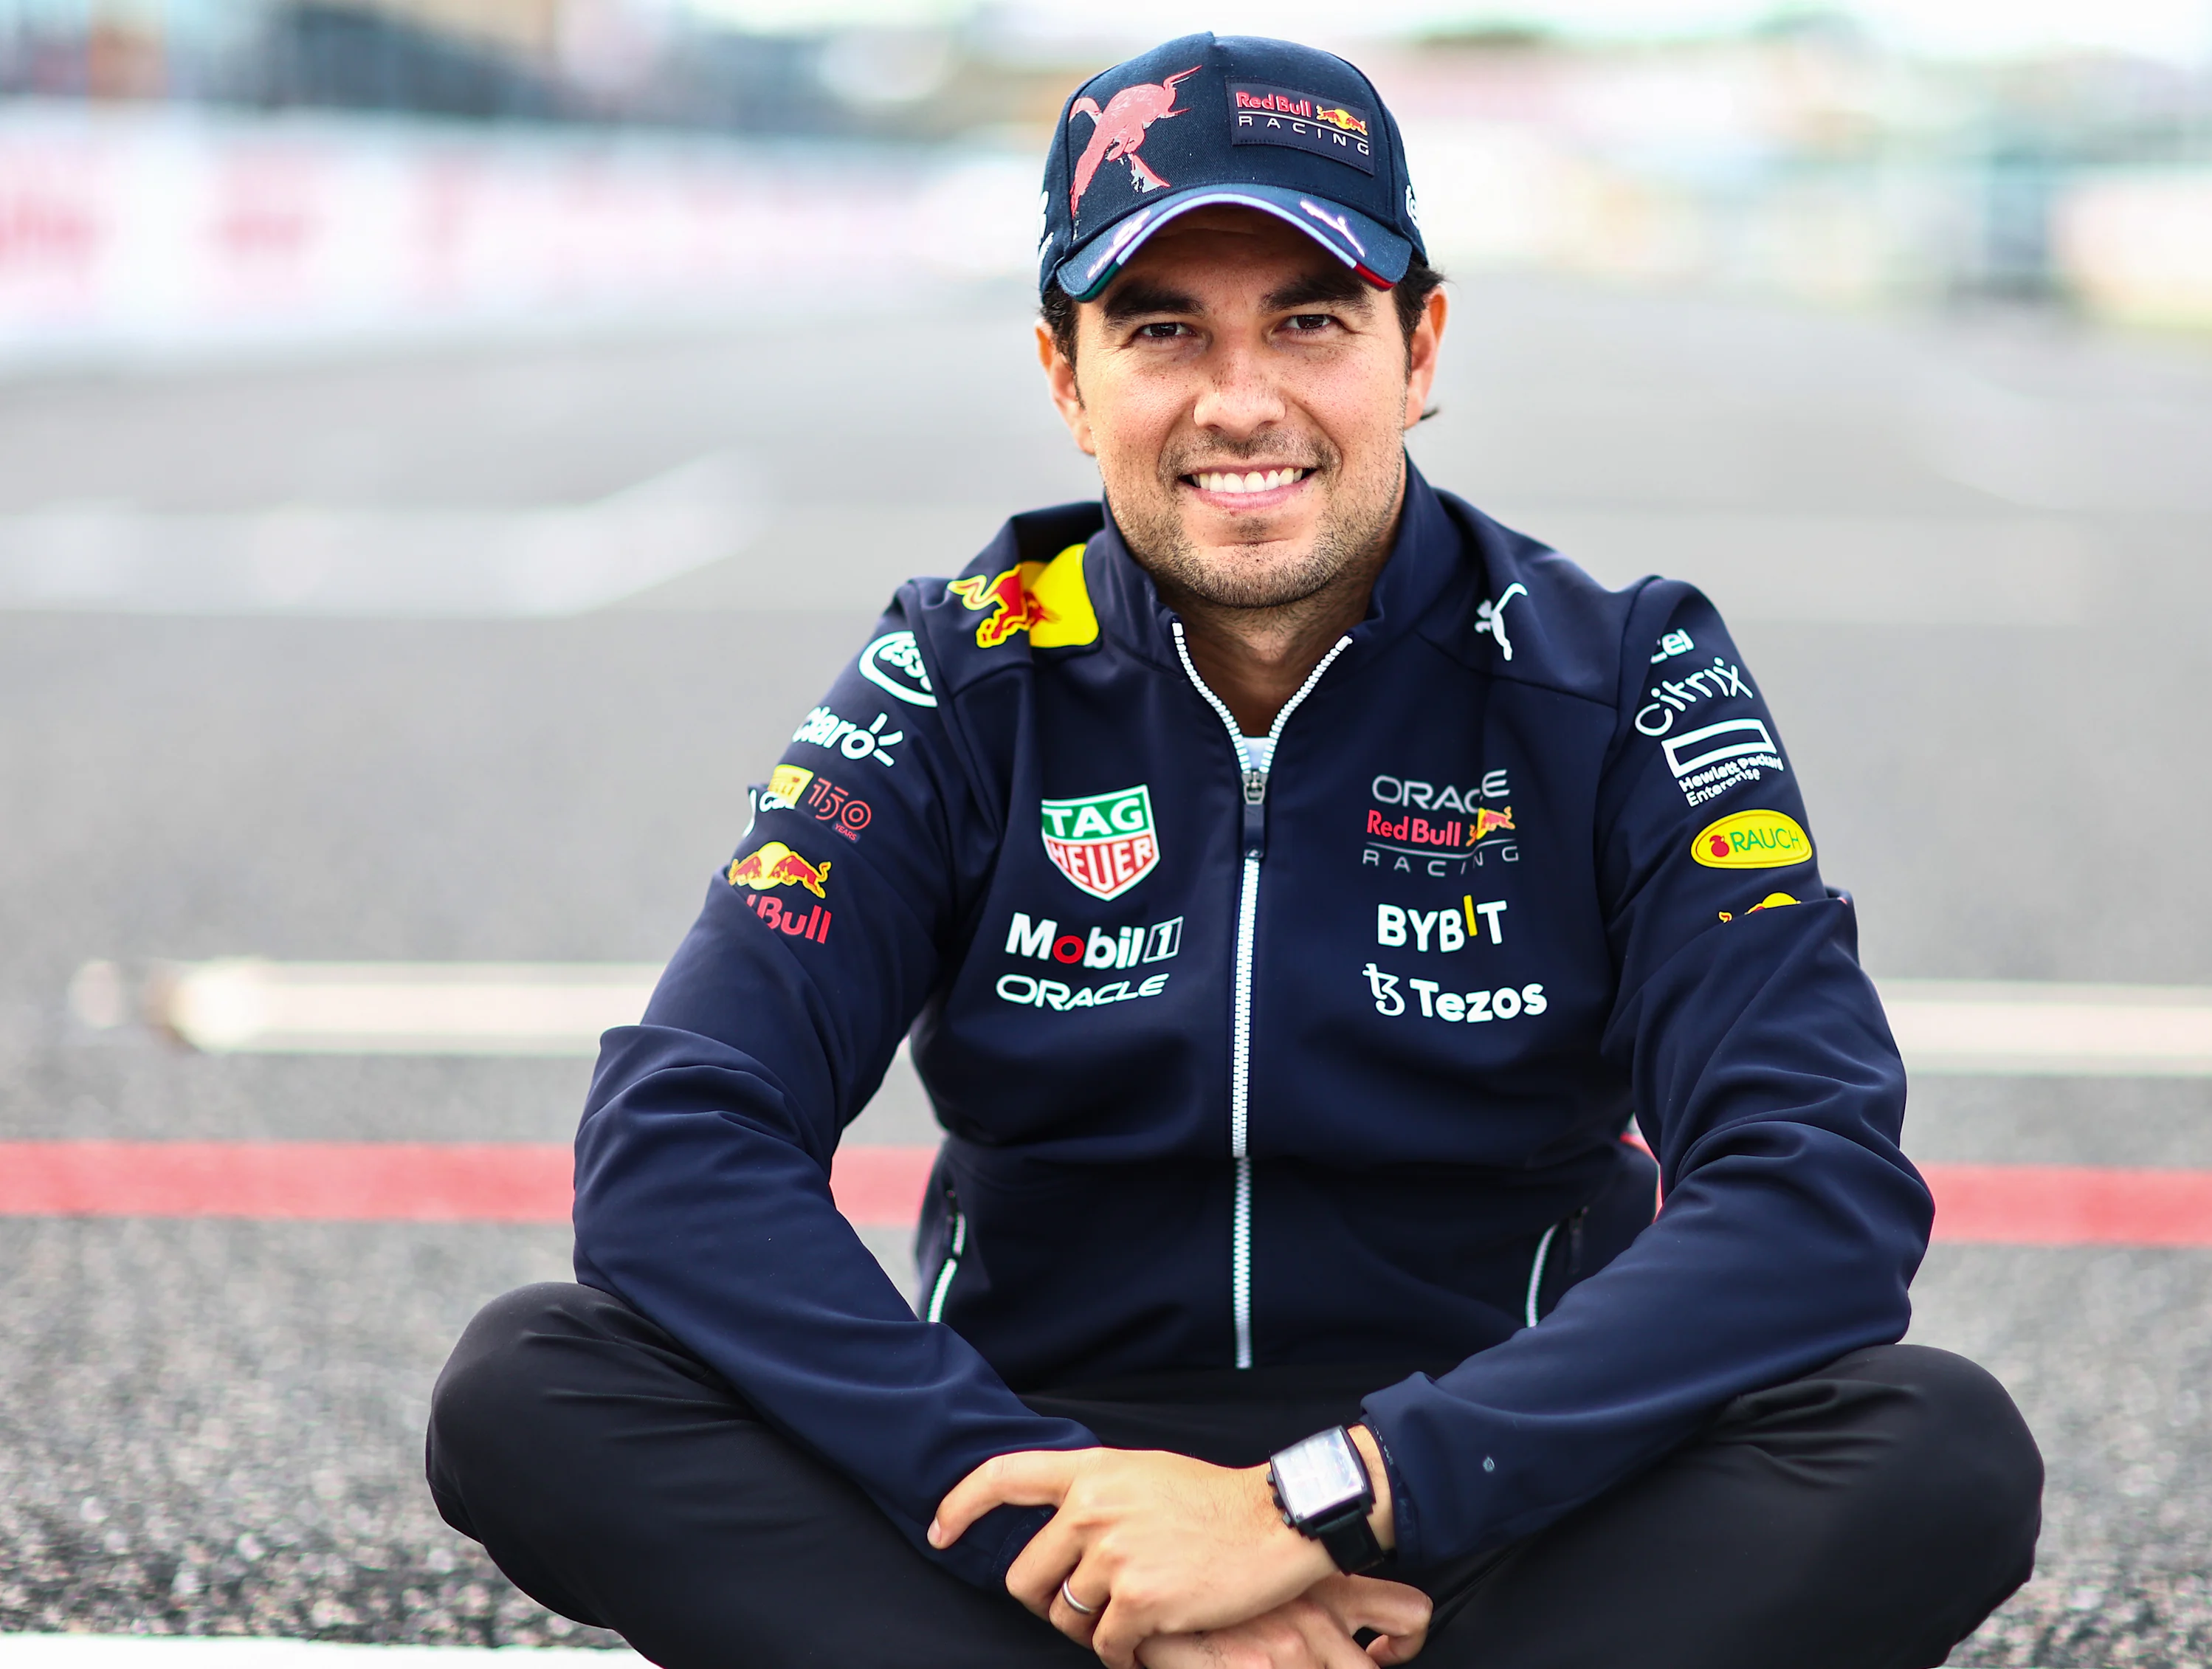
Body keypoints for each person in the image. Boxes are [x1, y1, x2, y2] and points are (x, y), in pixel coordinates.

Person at [427, 31, 2042, 1669]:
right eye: (1161, 329)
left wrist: (1319, 1507)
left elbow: (1812, 1185)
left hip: (1485, 1494)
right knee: (533, 1384)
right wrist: (1074, 1535)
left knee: (1934, 1450)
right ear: (1068, 379)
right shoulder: (961, 668)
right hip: (1049, 1488)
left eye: (1310, 321)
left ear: (1419, 347)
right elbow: (678, 1143)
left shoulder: (1617, 672)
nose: (1241, 398)